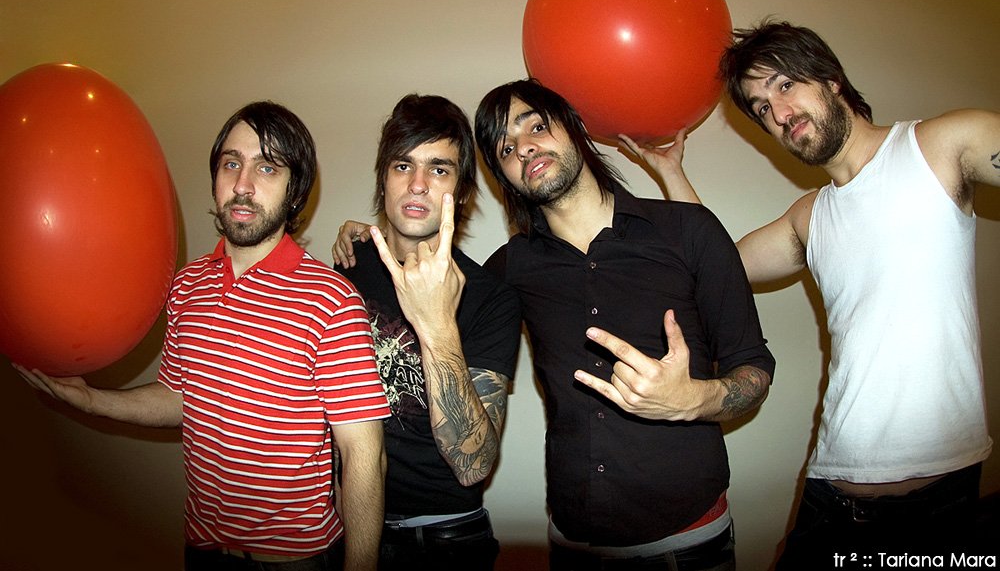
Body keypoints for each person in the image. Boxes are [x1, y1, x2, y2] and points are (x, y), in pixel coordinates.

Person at [622, 20, 1000, 565]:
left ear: (830, 79)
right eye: (761, 107)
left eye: (784, 84)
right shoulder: (810, 216)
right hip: (828, 488)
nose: (778, 113)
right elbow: (717, 266)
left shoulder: (941, 146)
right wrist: (670, 172)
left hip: (934, 500)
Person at [16, 101, 391, 571]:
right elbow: (180, 397)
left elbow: (363, 453)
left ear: (294, 191)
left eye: (267, 168)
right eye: (231, 164)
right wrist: (92, 400)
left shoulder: (330, 298)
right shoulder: (186, 284)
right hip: (203, 551)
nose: (242, 185)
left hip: (294, 559)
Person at [473, 79, 776, 570]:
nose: (523, 147)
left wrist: (693, 400)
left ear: (574, 128)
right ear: (504, 176)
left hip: (690, 543)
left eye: (536, 126)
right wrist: (377, 242)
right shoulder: (510, 267)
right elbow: (440, 297)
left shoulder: (690, 231)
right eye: (505, 148)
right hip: (572, 543)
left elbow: (755, 369)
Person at [332, 94, 521, 570]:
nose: (417, 184)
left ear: (462, 192)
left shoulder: (491, 297)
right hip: (343, 529)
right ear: (383, 179)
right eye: (403, 165)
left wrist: (437, 326)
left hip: (445, 541)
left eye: (438, 169)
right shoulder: (343, 274)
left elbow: (473, 464)